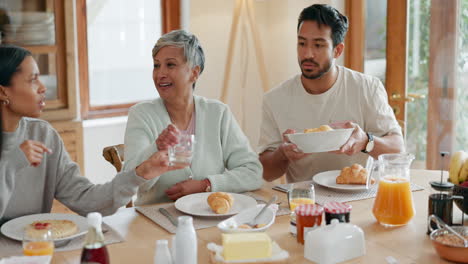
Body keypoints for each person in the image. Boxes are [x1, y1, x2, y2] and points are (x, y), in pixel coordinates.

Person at [0, 44, 185, 225]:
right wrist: (12, 162)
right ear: (3, 91)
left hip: (36, 248)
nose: (43, 87)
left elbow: (87, 201)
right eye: (33, 80)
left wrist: (139, 174)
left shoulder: (43, 135)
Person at [258, 4, 404, 183]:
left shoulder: (367, 88)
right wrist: (282, 154)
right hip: (304, 203)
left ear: (338, 50)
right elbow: (266, 173)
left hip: (357, 198)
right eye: (302, 43)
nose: (307, 53)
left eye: (318, 45)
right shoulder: (275, 99)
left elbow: (398, 149)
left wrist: (366, 141)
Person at [123, 29, 263, 205]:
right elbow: (129, 182)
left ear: (194, 73)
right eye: (156, 65)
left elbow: (253, 172)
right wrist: (156, 148)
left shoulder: (218, 113)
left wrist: (207, 184)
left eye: (170, 65)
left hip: (209, 214)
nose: (160, 74)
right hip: (156, 219)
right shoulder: (141, 114)